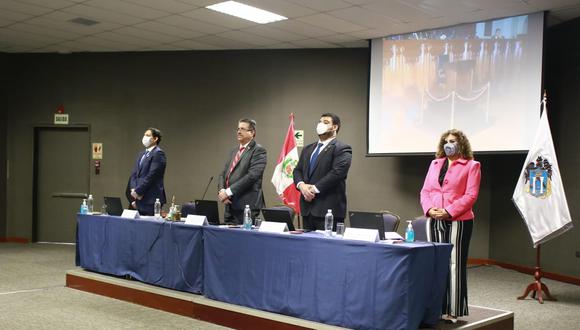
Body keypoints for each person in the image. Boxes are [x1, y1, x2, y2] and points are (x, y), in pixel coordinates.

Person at [420, 129, 481, 324]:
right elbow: (425, 191)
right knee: (436, 263)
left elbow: (471, 195)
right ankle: (436, 308)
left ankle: (453, 310)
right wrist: (429, 209)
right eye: (445, 141)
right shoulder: (435, 163)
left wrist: (449, 211)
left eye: (452, 141)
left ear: (461, 144)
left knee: (454, 265)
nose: (448, 144)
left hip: (458, 221)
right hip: (434, 219)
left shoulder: (472, 165)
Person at [293, 113, 352, 231]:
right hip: (307, 209)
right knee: (308, 248)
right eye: (320, 122)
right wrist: (302, 186)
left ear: (334, 127)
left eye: (325, 122)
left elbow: (337, 173)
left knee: (327, 249)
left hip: (328, 210)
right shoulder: (307, 149)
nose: (320, 124)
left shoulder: (342, 148)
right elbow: (297, 170)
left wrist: (313, 189)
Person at [218, 118, 267, 224]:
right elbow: (223, 174)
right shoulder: (234, 151)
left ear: (252, 132)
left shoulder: (258, 150)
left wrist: (228, 191)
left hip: (246, 206)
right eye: (238, 129)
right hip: (229, 205)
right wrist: (222, 191)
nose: (239, 131)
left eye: (243, 129)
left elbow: (252, 176)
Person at [129, 127, 167, 216]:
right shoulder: (141, 154)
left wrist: (138, 191)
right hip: (139, 198)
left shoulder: (158, 154)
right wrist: (133, 189)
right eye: (144, 135)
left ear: (155, 139)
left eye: (147, 135)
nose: (144, 137)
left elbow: (151, 176)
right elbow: (134, 174)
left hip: (151, 199)